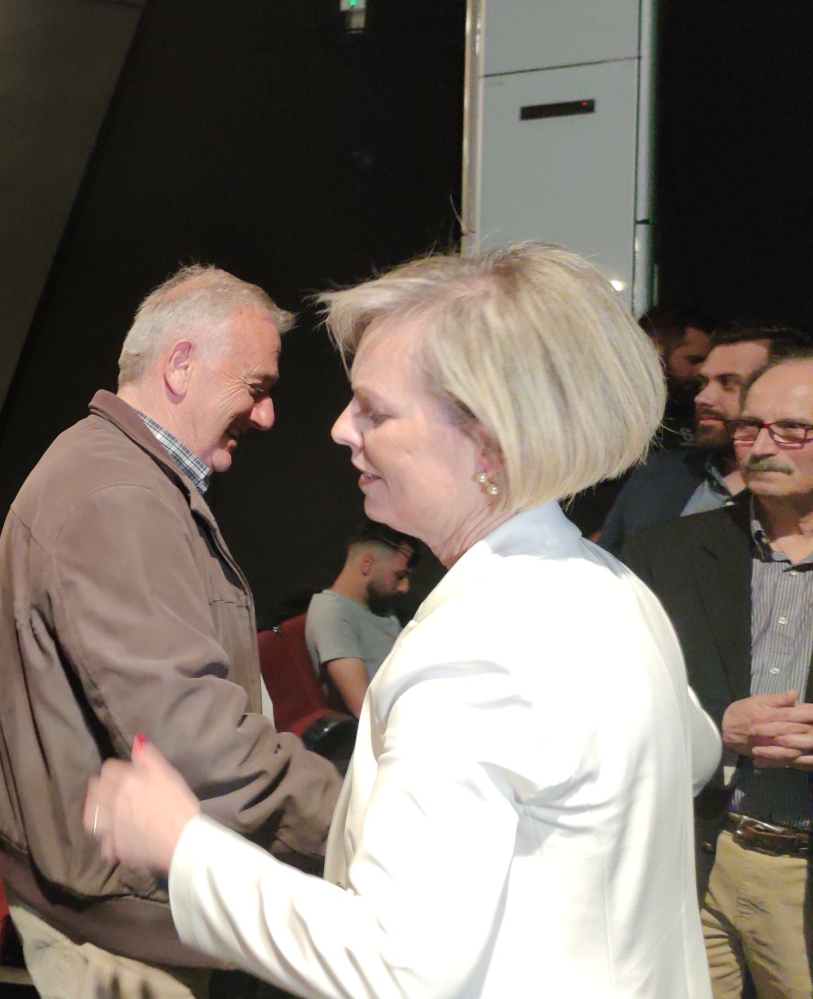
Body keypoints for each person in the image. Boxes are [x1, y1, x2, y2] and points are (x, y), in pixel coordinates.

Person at [85, 243, 721, 998]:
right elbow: (696, 751)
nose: (340, 429)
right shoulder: (611, 588)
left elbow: (395, 966)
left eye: (375, 411)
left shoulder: (476, 654)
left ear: (491, 441)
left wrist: (184, 847)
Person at [0, 265, 342, 999]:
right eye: (256, 388)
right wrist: (355, 824)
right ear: (180, 366)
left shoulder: (129, 479)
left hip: (134, 915)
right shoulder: (116, 495)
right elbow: (198, 746)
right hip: (120, 943)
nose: (266, 416)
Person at [625, 351, 813, 999]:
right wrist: (712, 726)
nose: (761, 446)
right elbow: (610, 705)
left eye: (792, 430)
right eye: (749, 426)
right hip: (695, 862)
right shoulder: (664, 553)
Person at [597, 325, 809, 553]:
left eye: (728, 383)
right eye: (703, 383)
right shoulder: (660, 472)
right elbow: (608, 557)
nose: (702, 397)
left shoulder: (791, 493)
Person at [303, 521, 417, 716]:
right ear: (367, 564)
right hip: (400, 722)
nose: (404, 587)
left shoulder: (380, 604)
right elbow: (365, 710)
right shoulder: (332, 612)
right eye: (399, 576)